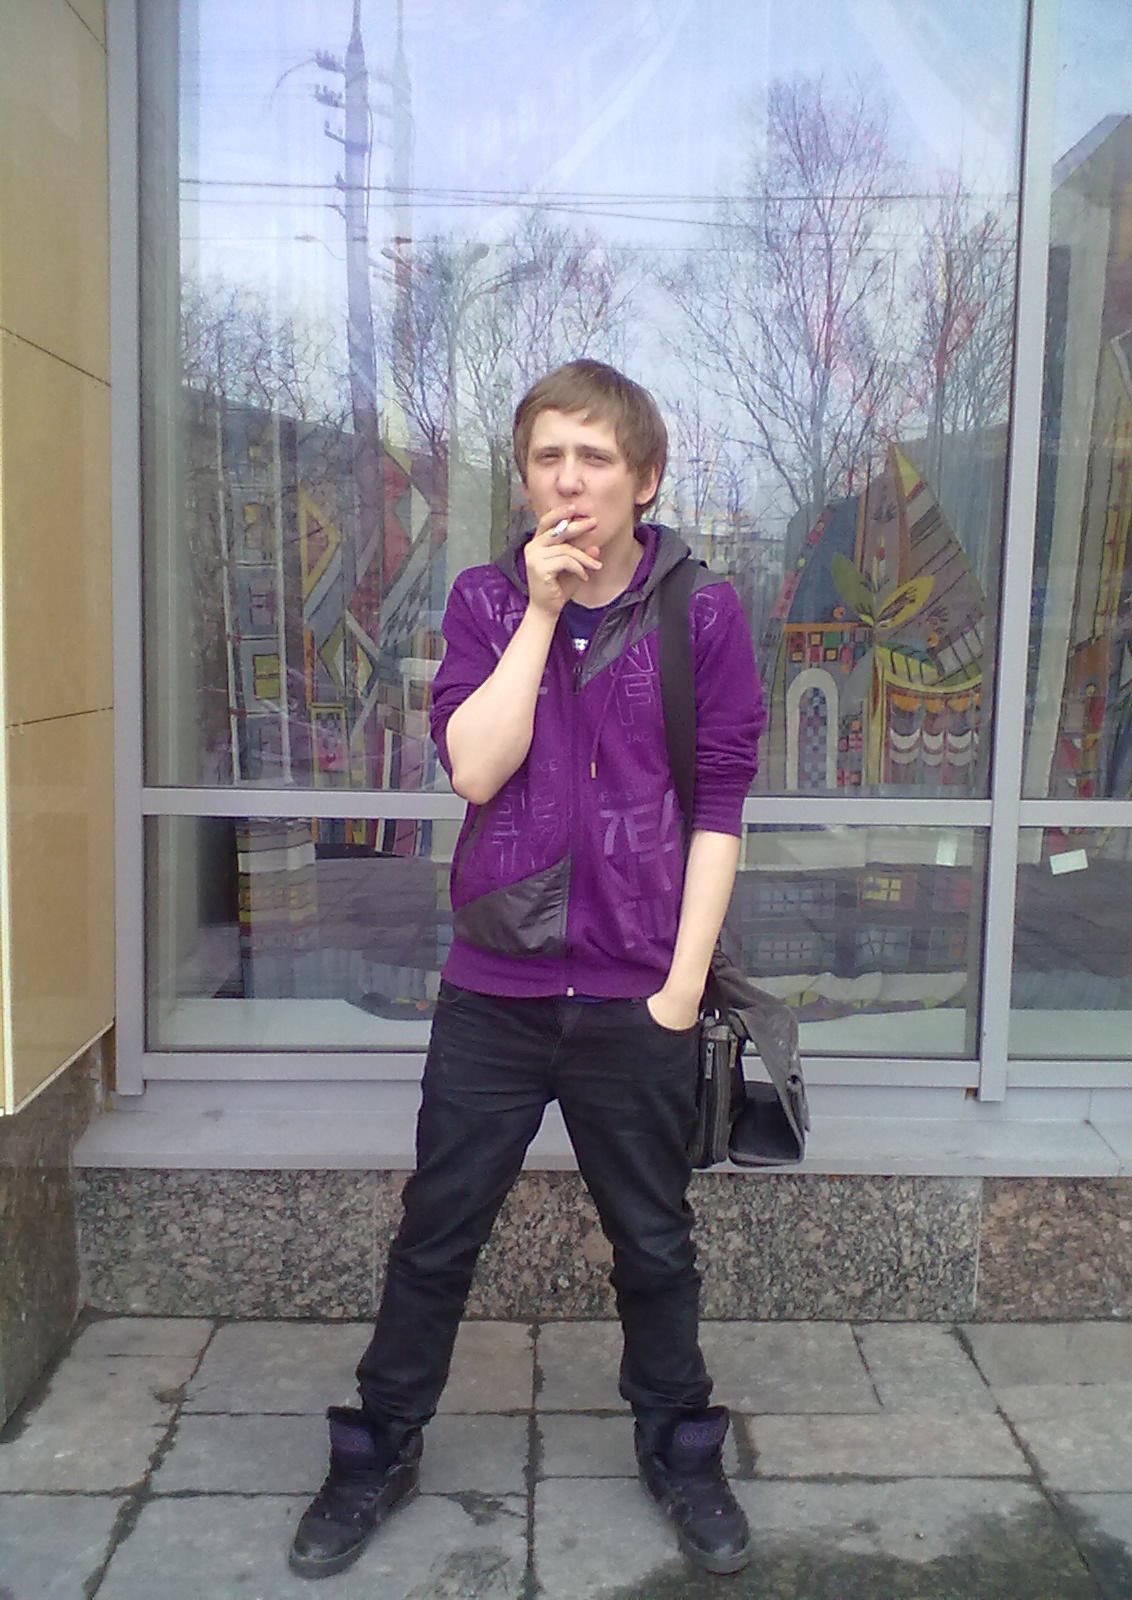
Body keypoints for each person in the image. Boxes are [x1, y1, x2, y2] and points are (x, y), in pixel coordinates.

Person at [289, 359, 764, 1580]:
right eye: (549, 456)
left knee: (653, 1241)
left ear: (644, 480)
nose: (569, 479)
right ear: (525, 477)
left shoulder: (703, 612)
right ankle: (377, 1448)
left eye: (595, 457)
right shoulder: (486, 602)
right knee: (436, 1231)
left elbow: (720, 808)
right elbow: (474, 768)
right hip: (494, 993)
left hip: (636, 994)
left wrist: (679, 990)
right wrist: (543, 614)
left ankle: (681, 1446)